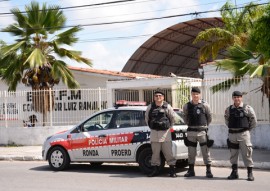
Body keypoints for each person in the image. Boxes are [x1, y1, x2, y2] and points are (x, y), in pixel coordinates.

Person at [224, 91, 257, 181]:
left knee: (247, 153)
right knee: (233, 154)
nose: (236, 99)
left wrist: (247, 130)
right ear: (232, 98)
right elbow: (227, 120)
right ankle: (234, 172)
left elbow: (253, 121)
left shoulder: (247, 108)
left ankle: (249, 173)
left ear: (241, 98)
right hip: (232, 134)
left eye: (238, 97)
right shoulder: (229, 109)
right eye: (235, 97)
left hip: (243, 134)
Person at [145, 90, 177, 177]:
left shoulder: (167, 107)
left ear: (163, 97)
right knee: (155, 153)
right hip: (154, 133)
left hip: (165, 133)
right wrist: (152, 127)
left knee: (168, 153)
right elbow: (147, 118)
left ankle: (172, 170)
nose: (158, 97)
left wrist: (169, 127)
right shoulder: (150, 107)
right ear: (154, 97)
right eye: (156, 96)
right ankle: (155, 170)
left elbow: (172, 118)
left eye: (160, 95)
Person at [183, 87, 213, 178]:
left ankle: (208, 170)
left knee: (205, 151)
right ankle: (191, 170)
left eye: (197, 94)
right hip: (191, 132)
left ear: (200, 95)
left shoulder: (205, 105)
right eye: (193, 94)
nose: (195, 95)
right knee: (191, 152)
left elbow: (209, 117)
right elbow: (185, 117)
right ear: (191, 94)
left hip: (202, 132)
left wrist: (205, 126)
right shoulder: (187, 106)